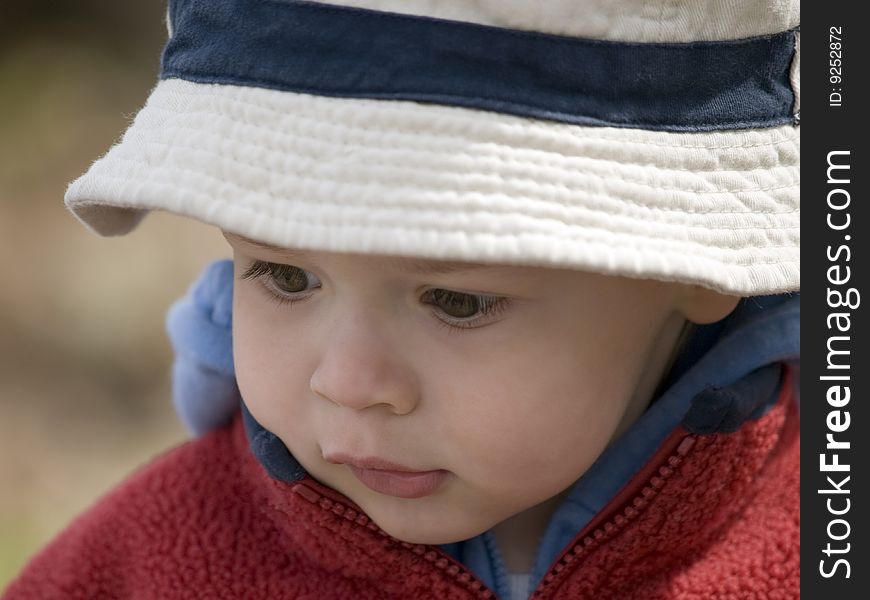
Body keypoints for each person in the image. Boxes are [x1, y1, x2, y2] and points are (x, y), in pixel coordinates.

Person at [3, 0, 800, 598]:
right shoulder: (157, 562)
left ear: (706, 268)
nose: (347, 384)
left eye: (454, 301)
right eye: (286, 277)